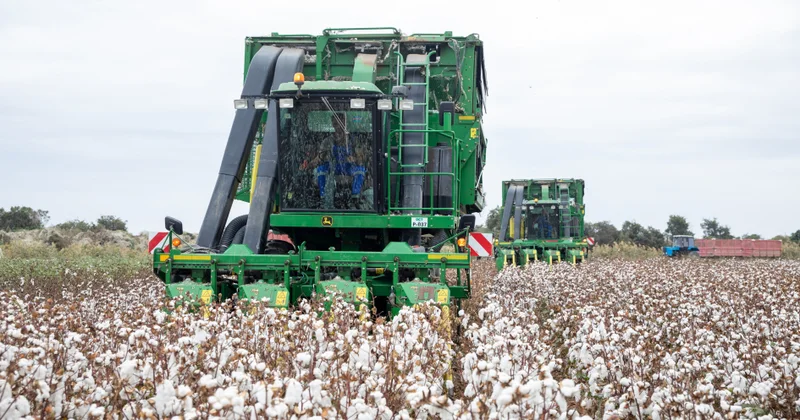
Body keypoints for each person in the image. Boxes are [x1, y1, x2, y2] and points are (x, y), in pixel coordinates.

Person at [311, 113, 367, 207]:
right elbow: (319, 159)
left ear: (345, 124)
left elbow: (361, 159)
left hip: (349, 167)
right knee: (321, 169)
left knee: (360, 170)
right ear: (332, 125)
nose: (339, 126)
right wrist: (315, 161)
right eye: (336, 124)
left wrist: (355, 159)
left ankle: (355, 197)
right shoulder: (327, 141)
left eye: (341, 123)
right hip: (334, 167)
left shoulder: (353, 140)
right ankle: (323, 198)